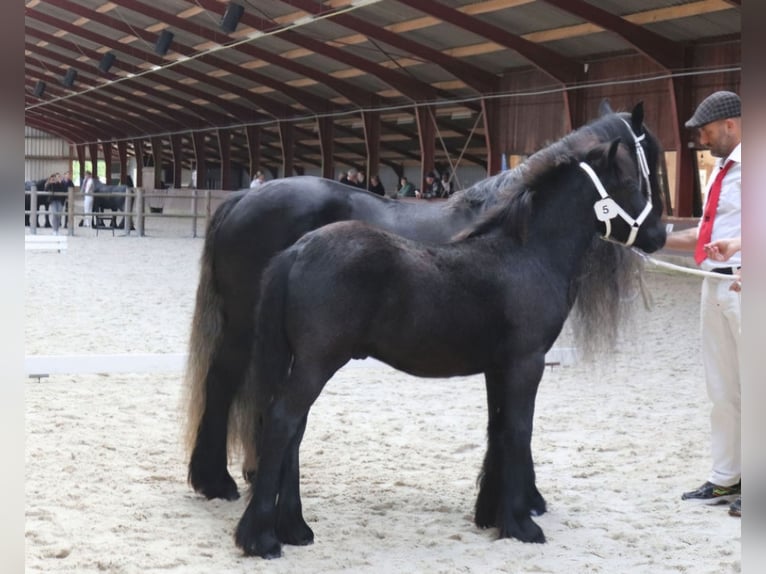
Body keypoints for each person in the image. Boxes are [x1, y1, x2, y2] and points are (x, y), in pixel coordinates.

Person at [663, 91, 741, 512]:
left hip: (749, 285)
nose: (703, 138)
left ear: (731, 124)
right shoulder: (719, 172)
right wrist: (643, 240)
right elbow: (702, 235)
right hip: (712, 284)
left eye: (708, 130)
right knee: (722, 388)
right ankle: (727, 477)